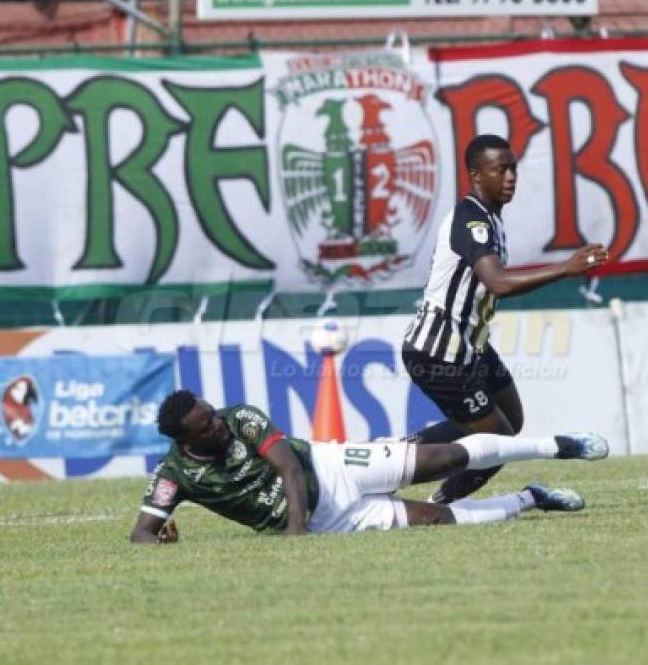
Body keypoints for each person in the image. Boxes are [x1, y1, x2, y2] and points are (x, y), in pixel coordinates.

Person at [402, 134, 610, 504]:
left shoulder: (490, 220)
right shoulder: (471, 220)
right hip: (439, 351)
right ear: (476, 175)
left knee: (510, 420)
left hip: (471, 346)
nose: (511, 176)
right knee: (497, 439)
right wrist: (566, 267)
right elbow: (497, 283)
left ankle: (402, 450)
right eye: (501, 169)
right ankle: (438, 503)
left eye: (513, 168)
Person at [130, 390, 605, 543]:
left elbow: (290, 469)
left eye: (212, 414)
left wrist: (296, 533)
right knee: (440, 521)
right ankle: (531, 498)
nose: (218, 423)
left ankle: (558, 445)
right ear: (185, 438)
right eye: (206, 425)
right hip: (330, 521)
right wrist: (163, 544)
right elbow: (140, 536)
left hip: (333, 467)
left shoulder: (241, 419)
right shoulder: (175, 475)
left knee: (446, 458)